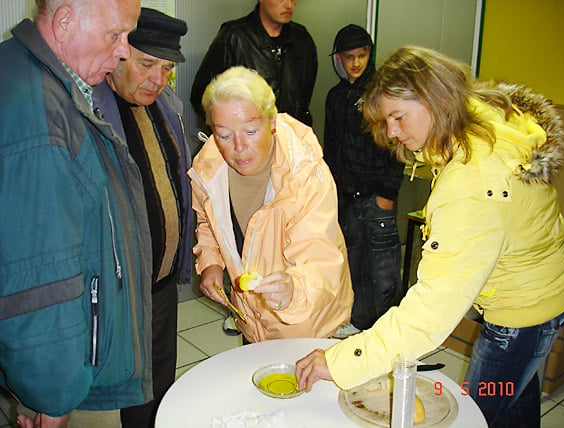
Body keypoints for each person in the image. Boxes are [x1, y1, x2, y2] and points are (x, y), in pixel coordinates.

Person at [296, 46, 564, 427]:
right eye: (387, 121)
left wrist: (341, 361)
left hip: (523, 310)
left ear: (433, 98)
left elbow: (430, 313)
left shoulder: (471, 182)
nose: (392, 132)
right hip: (547, 289)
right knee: (513, 395)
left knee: (476, 413)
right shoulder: (480, 119)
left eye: (398, 117)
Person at [0, 1, 154, 428]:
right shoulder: (38, 111)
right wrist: (54, 400)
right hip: (63, 380)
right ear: (65, 21)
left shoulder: (37, 78)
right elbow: (40, 276)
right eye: (115, 34)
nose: (124, 51)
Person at [190, 66, 354, 343]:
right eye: (224, 135)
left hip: (305, 321)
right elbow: (207, 221)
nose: (239, 147)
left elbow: (319, 258)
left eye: (250, 131)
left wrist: (294, 290)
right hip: (250, 317)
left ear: (272, 123)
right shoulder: (209, 169)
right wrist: (211, 263)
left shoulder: (304, 175)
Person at [92, 8, 191, 428]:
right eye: (147, 63)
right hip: (116, 290)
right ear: (119, 52)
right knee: (118, 392)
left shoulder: (166, 107)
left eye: (167, 68)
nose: (158, 78)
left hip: (160, 282)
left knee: (159, 385)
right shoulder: (89, 111)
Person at [324, 25, 404, 339]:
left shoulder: (382, 94)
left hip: (377, 195)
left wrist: (388, 192)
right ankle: (358, 321)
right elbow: (331, 147)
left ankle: (390, 331)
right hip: (346, 196)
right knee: (354, 263)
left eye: (362, 55)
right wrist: (331, 192)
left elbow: (396, 146)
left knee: (383, 268)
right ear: (338, 59)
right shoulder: (335, 97)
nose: (356, 62)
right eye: (349, 57)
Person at [190, 0, 317, 127]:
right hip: (247, 135)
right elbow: (203, 97)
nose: (289, 5)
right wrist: (232, 132)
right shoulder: (235, 37)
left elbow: (304, 97)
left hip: (292, 134)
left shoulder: (302, 39)